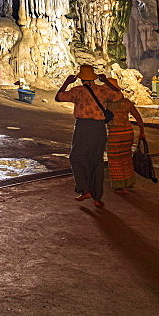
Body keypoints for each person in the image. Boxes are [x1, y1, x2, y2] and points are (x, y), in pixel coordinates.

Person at [54, 64, 118, 208]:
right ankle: (97, 197)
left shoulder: (78, 91)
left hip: (83, 127)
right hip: (100, 129)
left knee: (76, 158)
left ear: (81, 78)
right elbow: (119, 95)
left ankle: (85, 189)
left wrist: (66, 82)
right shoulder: (102, 90)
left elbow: (58, 97)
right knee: (97, 161)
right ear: (94, 78)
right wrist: (106, 81)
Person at [104, 77, 145, 193]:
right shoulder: (127, 102)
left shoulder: (107, 104)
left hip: (115, 134)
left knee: (115, 160)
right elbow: (138, 118)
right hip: (128, 133)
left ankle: (120, 185)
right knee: (126, 158)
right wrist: (142, 132)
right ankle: (129, 181)